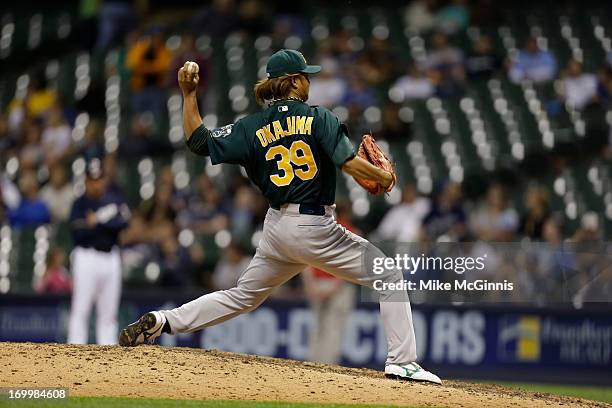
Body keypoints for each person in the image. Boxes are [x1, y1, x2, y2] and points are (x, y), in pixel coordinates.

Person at [119, 49, 441, 384]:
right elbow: (347, 162)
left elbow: (198, 141)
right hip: (315, 226)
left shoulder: (251, 125)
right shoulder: (318, 117)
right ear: (294, 82)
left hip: (276, 229)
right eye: (306, 76)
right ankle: (402, 362)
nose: (309, 82)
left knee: (242, 296)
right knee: (387, 274)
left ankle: (164, 320)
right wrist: (384, 177)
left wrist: (188, 95)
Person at [67, 159, 130, 345]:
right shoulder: (79, 203)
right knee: (81, 310)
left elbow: (124, 223)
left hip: (111, 258)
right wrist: (107, 225)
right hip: (86, 257)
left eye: (99, 179)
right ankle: (73, 353)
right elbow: (78, 233)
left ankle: (107, 356)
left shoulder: (114, 199)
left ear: (104, 180)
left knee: (109, 313)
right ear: (86, 181)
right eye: (92, 179)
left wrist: (98, 222)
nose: (96, 183)